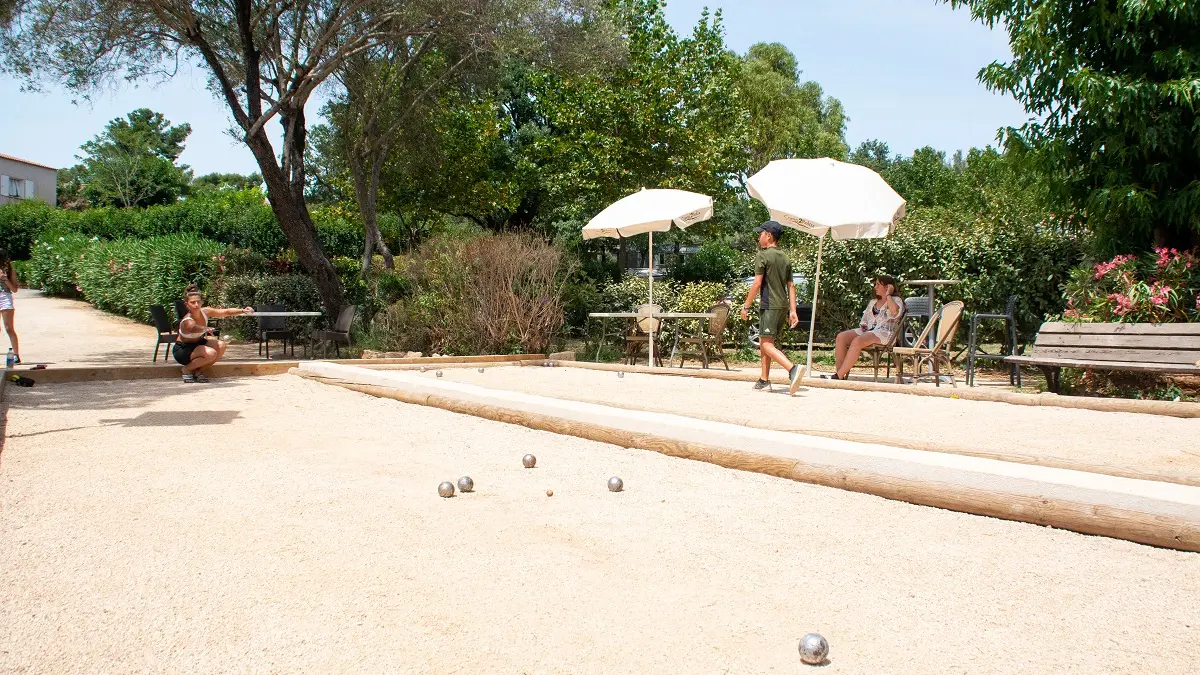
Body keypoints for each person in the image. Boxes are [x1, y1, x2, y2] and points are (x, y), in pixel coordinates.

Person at [740, 220, 802, 391]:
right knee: (766, 340)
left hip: (770, 305)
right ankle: (764, 379)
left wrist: (746, 306)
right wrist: (793, 311)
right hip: (782, 306)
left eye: (760, 233)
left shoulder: (763, 255)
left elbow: (757, 283)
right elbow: (791, 285)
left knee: (765, 344)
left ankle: (792, 369)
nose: (759, 237)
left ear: (769, 235)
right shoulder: (785, 257)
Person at [828, 275, 903, 380]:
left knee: (857, 341)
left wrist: (889, 295)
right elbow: (865, 320)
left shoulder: (896, 300)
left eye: (878, 284)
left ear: (887, 287)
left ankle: (838, 376)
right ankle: (839, 373)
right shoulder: (873, 302)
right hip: (869, 331)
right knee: (841, 337)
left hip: (885, 333)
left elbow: (894, 312)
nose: (875, 287)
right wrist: (864, 325)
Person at [173, 285, 253, 383]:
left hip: (198, 344)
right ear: (187, 304)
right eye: (193, 302)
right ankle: (187, 369)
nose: (196, 305)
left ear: (201, 302)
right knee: (211, 353)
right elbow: (193, 328)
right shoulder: (187, 320)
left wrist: (242, 310)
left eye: (198, 302)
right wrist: (204, 328)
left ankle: (199, 372)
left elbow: (225, 312)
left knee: (221, 345)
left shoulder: (205, 311)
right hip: (183, 350)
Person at [0, 252, 19, 364]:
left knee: (9, 328)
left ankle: (16, 355)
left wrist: (5, 279)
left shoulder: (8, 270)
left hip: (5, 298)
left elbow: (14, 289)